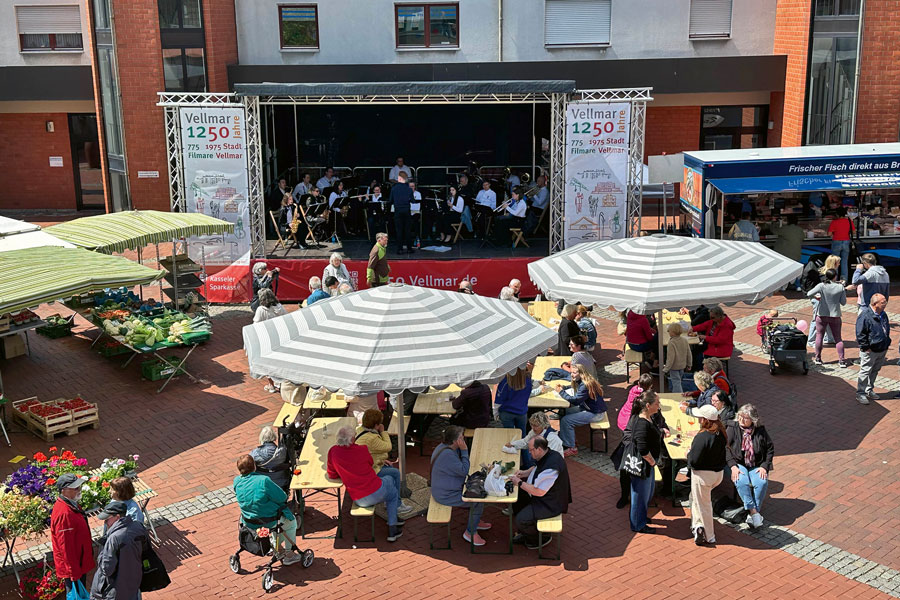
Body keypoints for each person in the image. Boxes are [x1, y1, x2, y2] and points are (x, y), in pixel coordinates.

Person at [327, 427, 403, 541]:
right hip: (376, 490)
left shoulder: (333, 451)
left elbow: (332, 474)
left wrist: (344, 471)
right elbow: (370, 463)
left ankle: (394, 521)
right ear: (352, 439)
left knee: (389, 485)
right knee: (391, 485)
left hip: (358, 499)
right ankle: (393, 528)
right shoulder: (361, 449)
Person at [234, 455, 305, 563]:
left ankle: (277, 548)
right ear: (254, 466)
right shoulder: (263, 480)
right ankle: (289, 555)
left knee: (277, 524)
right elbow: (282, 497)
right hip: (268, 520)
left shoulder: (237, 481)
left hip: (248, 522)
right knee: (291, 523)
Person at [430, 426, 491, 546]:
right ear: (455, 441)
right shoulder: (448, 454)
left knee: (477, 494)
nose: (463, 439)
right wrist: (464, 450)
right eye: (461, 438)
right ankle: (470, 532)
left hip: (446, 488)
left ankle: (475, 520)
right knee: (477, 501)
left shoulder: (443, 447)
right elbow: (464, 470)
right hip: (445, 495)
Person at [509, 436, 572, 550]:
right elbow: (536, 467)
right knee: (518, 498)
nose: (529, 452)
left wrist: (519, 482)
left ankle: (540, 538)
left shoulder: (551, 468)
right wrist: (524, 473)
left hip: (550, 503)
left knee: (521, 520)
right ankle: (526, 531)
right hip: (544, 497)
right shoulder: (548, 454)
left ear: (539, 449)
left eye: (531, 450)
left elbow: (539, 491)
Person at [726, 403, 775, 528]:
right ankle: (754, 512)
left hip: (756, 464)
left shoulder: (760, 430)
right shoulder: (733, 427)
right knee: (741, 481)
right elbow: (725, 447)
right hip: (739, 463)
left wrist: (764, 466)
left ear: (753, 419)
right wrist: (733, 466)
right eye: (740, 416)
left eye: (745, 418)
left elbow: (770, 448)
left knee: (762, 482)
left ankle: (753, 513)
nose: (741, 419)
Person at [356, 409, 414, 513]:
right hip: (370, 471)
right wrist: (383, 431)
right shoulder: (371, 438)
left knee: (389, 468)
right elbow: (388, 446)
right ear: (376, 425)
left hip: (365, 466)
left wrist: (382, 460)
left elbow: (371, 452)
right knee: (395, 473)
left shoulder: (359, 430)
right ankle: (397, 505)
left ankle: (390, 500)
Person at [687, 404, 727, 546]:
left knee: (704, 505)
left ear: (705, 420)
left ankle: (709, 536)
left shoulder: (702, 437)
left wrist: (688, 454)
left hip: (703, 476)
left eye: (700, 417)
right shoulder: (721, 433)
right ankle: (697, 526)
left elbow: (694, 461)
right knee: (695, 498)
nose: (698, 419)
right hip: (718, 475)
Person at [91, 500, 148, 600]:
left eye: (107, 519)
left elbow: (107, 569)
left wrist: (101, 557)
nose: (105, 523)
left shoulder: (114, 538)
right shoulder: (138, 527)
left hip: (115, 590)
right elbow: (146, 550)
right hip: (133, 581)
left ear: (117, 517)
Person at [50, 474, 94, 593]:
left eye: (79, 486)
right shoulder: (64, 514)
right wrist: (73, 572)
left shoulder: (71, 503)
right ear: (63, 491)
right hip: (74, 566)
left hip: (79, 561)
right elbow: (65, 547)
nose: (79, 490)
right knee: (76, 594)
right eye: (75, 488)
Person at [554, 365, 607, 458]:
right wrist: (564, 387)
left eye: (574, 373)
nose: (572, 375)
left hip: (595, 413)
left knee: (566, 420)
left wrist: (561, 392)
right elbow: (574, 388)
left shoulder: (585, 385)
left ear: (581, 374)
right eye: (571, 372)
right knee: (565, 412)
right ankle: (569, 438)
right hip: (588, 408)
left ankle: (571, 447)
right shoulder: (583, 381)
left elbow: (575, 401)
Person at [629, 393, 663, 533]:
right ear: (648, 406)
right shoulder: (642, 423)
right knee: (640, 496)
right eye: (657, 403)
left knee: (646, 494)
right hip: (642, 466)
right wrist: (653, 462)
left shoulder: (648, 417)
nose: (659, 406)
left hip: (647, 465)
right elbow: (643, 449)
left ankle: (640, 518)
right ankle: (638, 524)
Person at [808, 268, 847, 367]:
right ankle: (842, 360)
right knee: (838, 338)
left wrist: (817, 297)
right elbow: (843, 302)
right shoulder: (840, 287)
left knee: (819, 336)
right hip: (835, 315)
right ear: (835, 276)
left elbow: (809, 293)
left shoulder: (821, 285)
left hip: (821, 315)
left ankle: (818, 358)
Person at [855, 293, 890, 405]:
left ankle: (869, 390)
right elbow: (860, 333)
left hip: (882, 348)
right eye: (883, 302)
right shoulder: (865, 315)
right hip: (870, 350)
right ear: (875, 304)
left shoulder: (883, 314)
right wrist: (865, 347)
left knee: (875, 370)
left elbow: (886, 328)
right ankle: (861, 393)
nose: (885, 303)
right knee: (865, 371)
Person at [253, 288, 286, 391]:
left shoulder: (261, 310)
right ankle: (281, 383)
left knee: (268, 363)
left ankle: (271, 385)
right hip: (280, 338)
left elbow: (256, 325)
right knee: (280, 361)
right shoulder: (280, 307)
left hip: (267, 340)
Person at [494, 364, 543, 436]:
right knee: (522, 435)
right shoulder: (527, 381)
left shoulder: (505, 382)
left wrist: (495, 413)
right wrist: (540, 386)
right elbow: (530, 391)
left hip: (506, 413)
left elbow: (499, 400)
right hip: (522, 412)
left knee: (508, 435)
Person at [805, 255, 840, 347]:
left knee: (828, 317)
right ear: (834, 263)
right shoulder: (823, 274)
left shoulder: (828, 272)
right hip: (818, 299)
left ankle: (829, 338)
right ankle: (811, 341)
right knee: (817, 319)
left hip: (824, 299)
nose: (839, 264)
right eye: (838, 262)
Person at [251, 426, 291, 491]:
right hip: (281, 483)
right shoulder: (282, 451)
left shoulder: (255, 453)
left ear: (261, 437)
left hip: (263, 484)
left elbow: (248, 465)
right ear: (274, 436)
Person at [772, 215, 806, 287]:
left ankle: (784, 285)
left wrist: (774, 223)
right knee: (794, 270)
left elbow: (774, 230)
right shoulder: (799, 229)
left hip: (785, 255)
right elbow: (803, 237)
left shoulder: (785, 229)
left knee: (783, 270)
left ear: (788, 221)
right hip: (796, 254)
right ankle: (796, 285)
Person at [828, 206, 855, 282]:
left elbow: (829, 234)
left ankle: (834, 279)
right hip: (846, 242)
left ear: (837, 214)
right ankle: (844, 280)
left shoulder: (834, 222)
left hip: (836, 242)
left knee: (835, 262)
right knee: (844, 262)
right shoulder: (849, 221)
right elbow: (854, 232)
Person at [390, 171, 415, 253]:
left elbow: (390, 200)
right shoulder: (409, 189)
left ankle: (399, 249)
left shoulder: (394, 188)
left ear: (400, 178)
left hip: (398, 210)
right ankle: (409, 248)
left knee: (399, 230)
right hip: (406, 210)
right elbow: (412, 200)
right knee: (407, 230)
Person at [663, 322, 692, 393]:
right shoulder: (684, 340)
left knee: (676, 383)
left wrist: (666, 369)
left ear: (673, 333)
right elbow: (689, 353)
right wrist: (689, 364)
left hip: (674, 367)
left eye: (669, 331)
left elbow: (670, 358)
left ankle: (678, 396)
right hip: (682, 366)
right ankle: (675, 393)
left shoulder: (671, 343)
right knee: (678, 381)